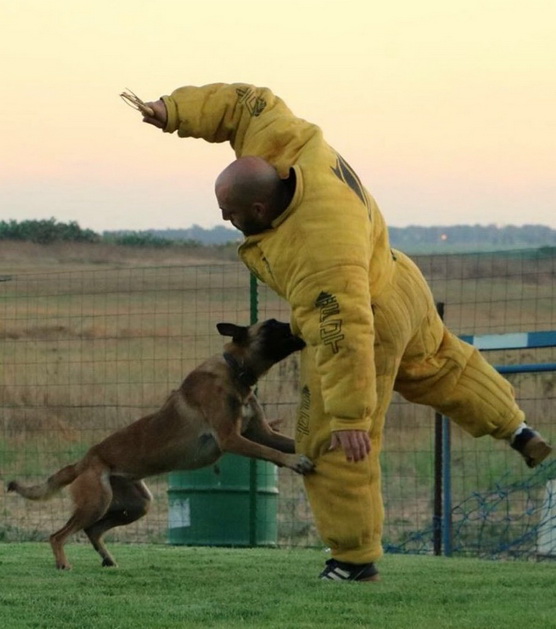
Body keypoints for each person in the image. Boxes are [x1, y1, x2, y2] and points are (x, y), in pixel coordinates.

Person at [139, 82, 552, 581]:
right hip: (399, 279)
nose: (225, 221)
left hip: (365, 324)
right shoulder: (284, 139)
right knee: (443, 365)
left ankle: (353, 561)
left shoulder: (318, 253)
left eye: (230, 215)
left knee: (330, 443)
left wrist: (352, 417)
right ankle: (517, 427)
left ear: (260, 210)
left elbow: (343, 337)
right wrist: (174, 111)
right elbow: (243, 101)